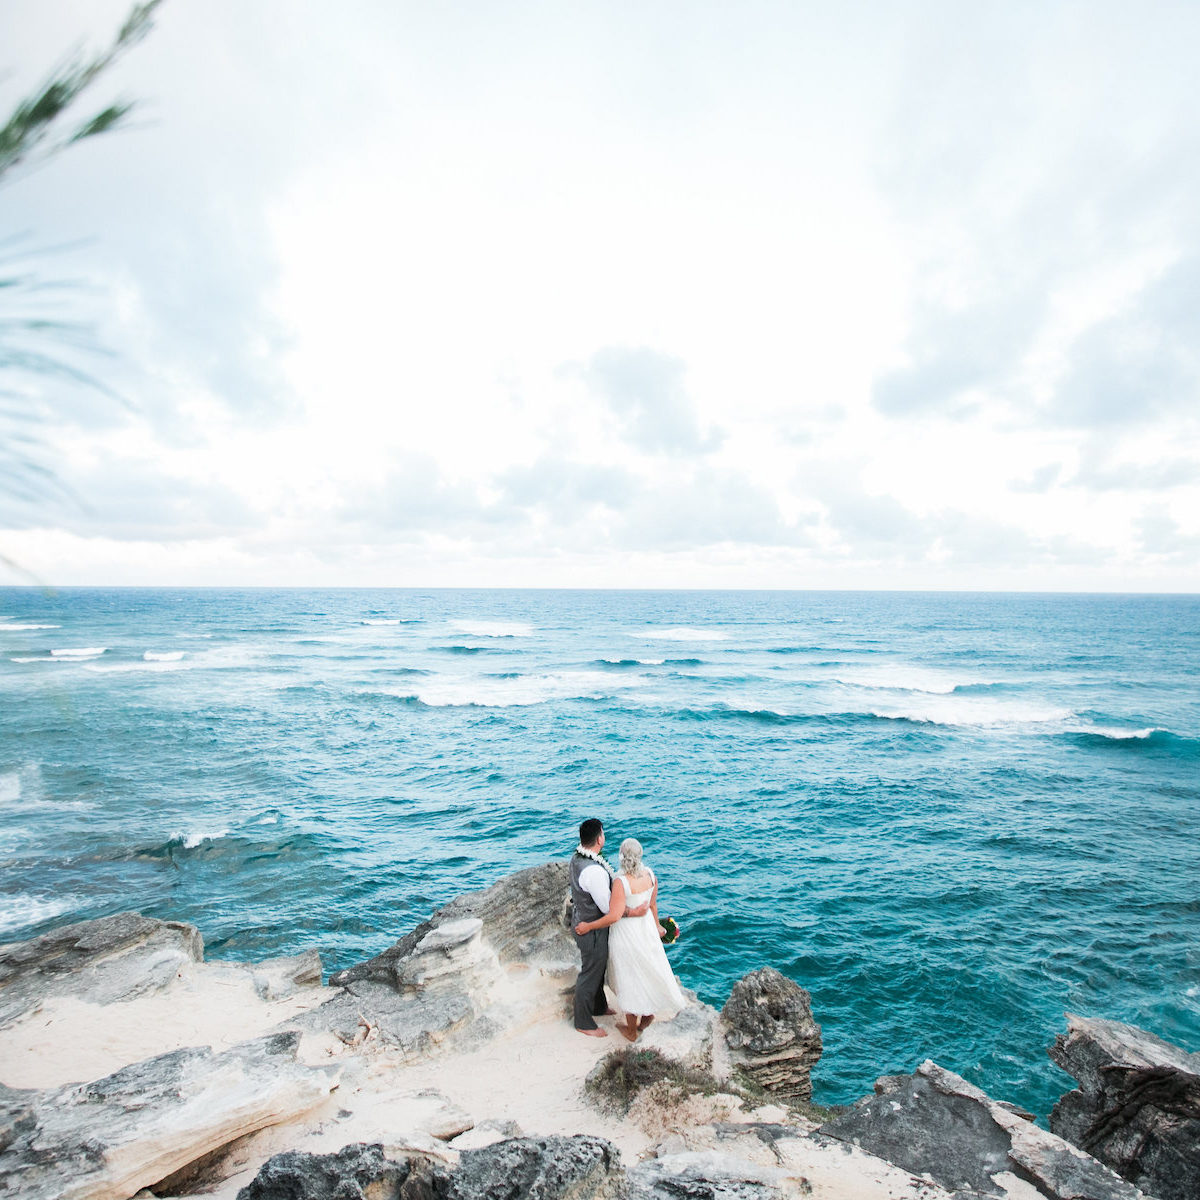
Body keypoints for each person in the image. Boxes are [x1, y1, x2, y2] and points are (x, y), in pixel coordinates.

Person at [574, 836, 685, 1042]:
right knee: (646, 970)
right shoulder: (651, 875)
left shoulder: (621, 881)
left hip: (627, 934)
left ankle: (632, 1031)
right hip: (647, 932)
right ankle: (647, 1016)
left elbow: (614, 916)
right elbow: (652, 905)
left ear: (621, 857)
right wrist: (658, 926)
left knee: (630, 978)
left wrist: (588, 925)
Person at [568, 818, 648, 1037]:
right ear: (599, 839)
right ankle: (583, 1022)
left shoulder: (577, 858)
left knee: (597, 968)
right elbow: (608, 908)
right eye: (603, 832)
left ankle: (599, 1007)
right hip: (591, 930)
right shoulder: (594, 872)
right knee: (591, 972)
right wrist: (633, 911)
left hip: (582, 918)